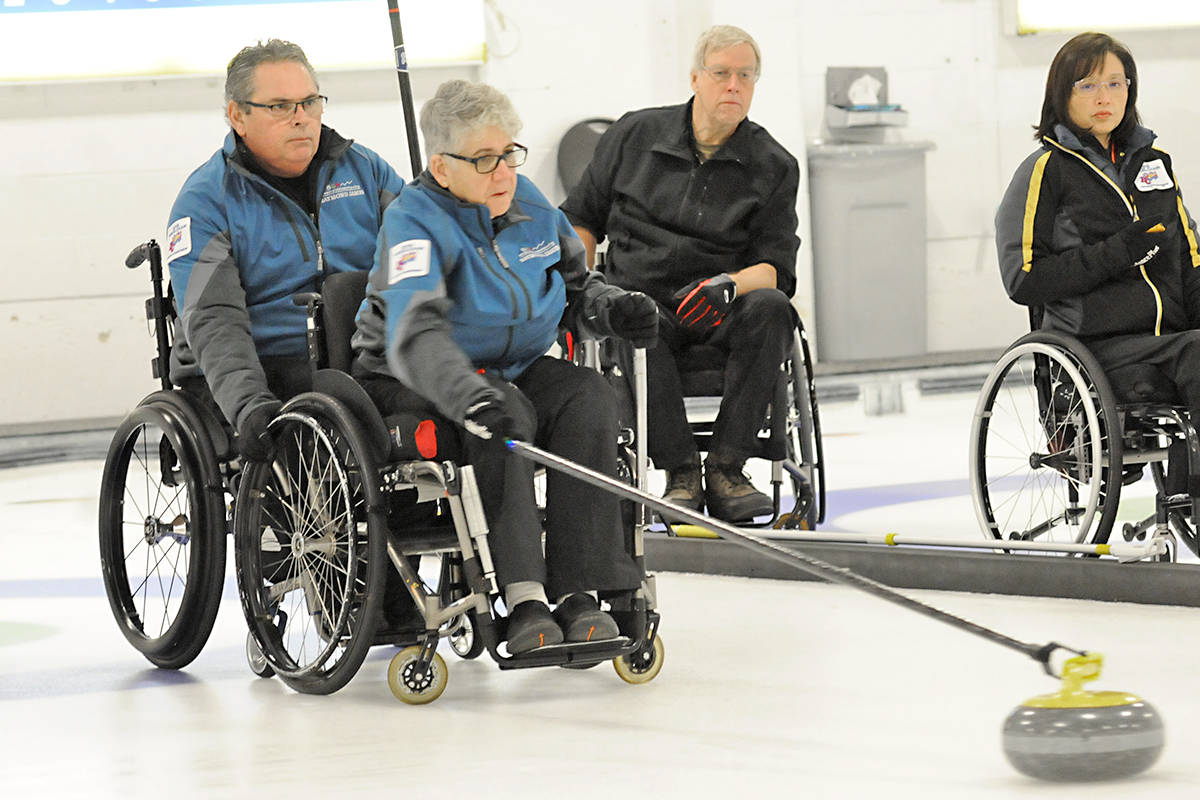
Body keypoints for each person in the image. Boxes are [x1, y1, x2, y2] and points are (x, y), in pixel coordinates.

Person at [351, 79, 659, 654]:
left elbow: (574, 286)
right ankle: (524, 599)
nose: (503, 172)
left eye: (509, 153)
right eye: (485, 159)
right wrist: (468, 395)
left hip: (511, 366)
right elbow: (414, 333)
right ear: (441, 167)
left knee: (588, 396)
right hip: (415, 378)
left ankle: (579, 591)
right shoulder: (413, 223)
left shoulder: (530, 206)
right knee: (503, 413)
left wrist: (612, 310)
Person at [561, 24, 801, 523]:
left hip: (720, 302)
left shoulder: (774, 164)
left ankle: (728, 469)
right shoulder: (633, 135)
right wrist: (583, 290)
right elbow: (580, 219)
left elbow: (777, 269)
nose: (734, 85)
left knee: (772, 309)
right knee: (629, 314)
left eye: (746, 76)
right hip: (642, 298)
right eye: (721, 74)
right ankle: (681, 473)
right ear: (695, 78)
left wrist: (730, 284)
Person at [165, 39, 404, 462]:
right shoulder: (205, 201)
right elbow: (213, 318)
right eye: (280, 106)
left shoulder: (366, 170)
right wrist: (248, 403)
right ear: (238, 115)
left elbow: (422, 256)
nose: (301, 119)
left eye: (310, 102)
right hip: (265, 368)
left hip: (360, 357)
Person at [995, 32, 1200, 446]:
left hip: (1170, 339)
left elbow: (1189, 259)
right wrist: (1117, 253)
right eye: (1087, 85)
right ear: (1061, 95)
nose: (1103, 97)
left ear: (1130, 90)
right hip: (1095, 348)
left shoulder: (1156, 165)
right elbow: (1024, 279)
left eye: (1115, 83)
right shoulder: (1045, 171)